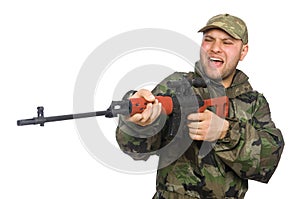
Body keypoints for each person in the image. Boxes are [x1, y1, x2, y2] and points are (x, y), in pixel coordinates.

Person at [115, 13, 284, 199]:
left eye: (227, 42)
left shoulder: (254, 103)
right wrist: (138, 124)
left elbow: (267, 162)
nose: (215, 48)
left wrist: (225, 132)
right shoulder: (175, 85)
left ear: (243, 51)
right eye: (208, 40)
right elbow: (136, 151)